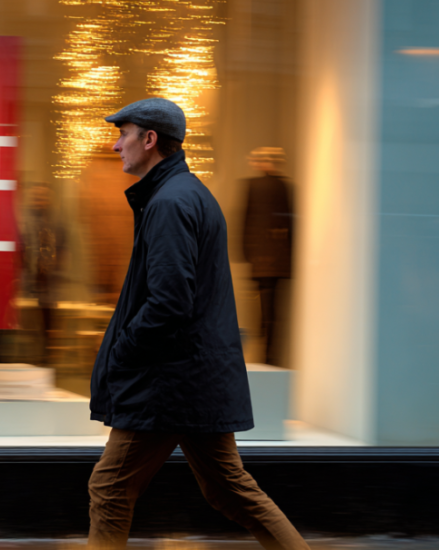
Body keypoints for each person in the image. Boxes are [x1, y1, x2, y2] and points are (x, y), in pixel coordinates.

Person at [87, 98, 309, 550]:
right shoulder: (186, 193)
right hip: (193, 376)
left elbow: (169, 301)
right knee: (229, 488)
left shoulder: (170, 202)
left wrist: (123, 349)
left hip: (169, 381)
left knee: (109, 489)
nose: (115, 145)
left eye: (123, 134)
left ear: (149, 140)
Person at [241, 147, 294, 365]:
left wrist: (246, 253)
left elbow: (247, 219)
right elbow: (290, 223)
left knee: (266, 310)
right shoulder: (282, 186)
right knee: (272, 311)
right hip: (276, 261)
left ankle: (266, 353)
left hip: (262, 261)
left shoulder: (255, 186)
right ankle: (269, 355)